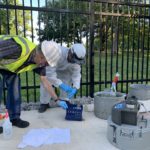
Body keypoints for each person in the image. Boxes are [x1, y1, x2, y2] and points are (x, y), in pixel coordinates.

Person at [0, 35, 68, 130]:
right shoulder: (17, 48)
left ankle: (14, 118)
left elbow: (45, 81)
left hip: (9, 67)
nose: (45, 65)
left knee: (14, 87)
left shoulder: (40, 63)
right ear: (40, 55)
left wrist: (57, 99)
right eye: (46, 63)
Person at [38, 43, 86, 113]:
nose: (74, 62)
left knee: (67, 79)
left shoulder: (76, 62)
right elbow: (50, 74)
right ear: (70, 52)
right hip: (52, 69)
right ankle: (44, 103)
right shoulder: (57, 53)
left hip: (64, 72)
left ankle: (65, 100)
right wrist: (60, 85)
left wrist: (75, 87)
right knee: (46, 82)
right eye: (73, 59)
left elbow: (76, 75)